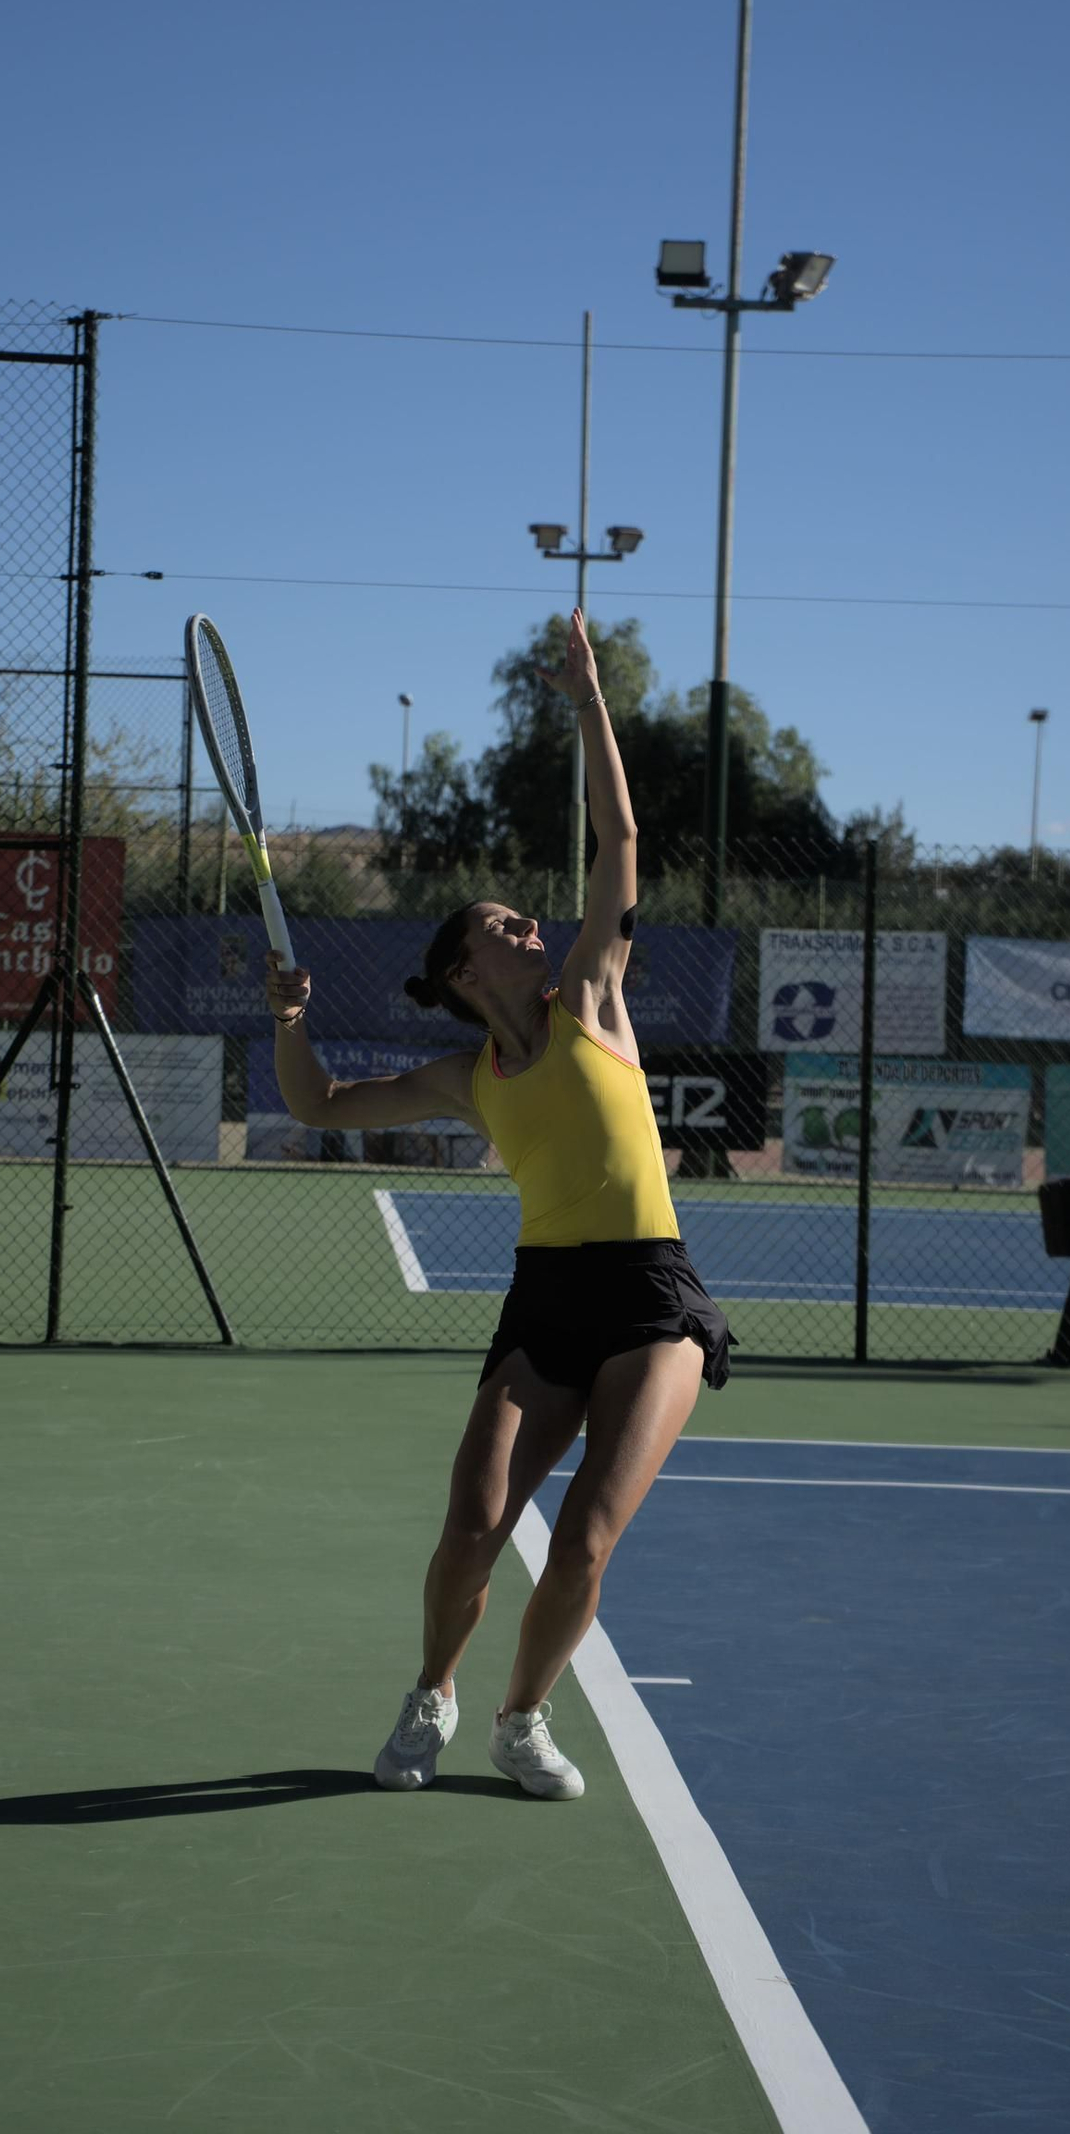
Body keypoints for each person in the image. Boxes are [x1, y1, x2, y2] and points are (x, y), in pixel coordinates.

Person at [265, 609, 729, 1801]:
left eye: (528, 916)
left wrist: (587, 699)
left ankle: (522, 1719)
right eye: (504, 924)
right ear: (467, 972)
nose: (532, 922)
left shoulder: (593, 996)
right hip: (547, 1298)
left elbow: (620, 835)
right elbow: (317, 1103)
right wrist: (288, 1019)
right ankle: (434, 1693)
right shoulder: (465, 1076)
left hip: (653, 1294)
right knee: (471, 1523)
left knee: (583, 1538)